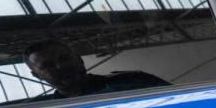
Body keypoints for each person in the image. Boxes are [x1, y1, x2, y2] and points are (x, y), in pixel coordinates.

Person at [24, 39, 169, 99]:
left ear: (79, 59)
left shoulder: (136, 82)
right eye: (47, 65)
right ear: (37, 75)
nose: (60, 66)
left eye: (64, 58)